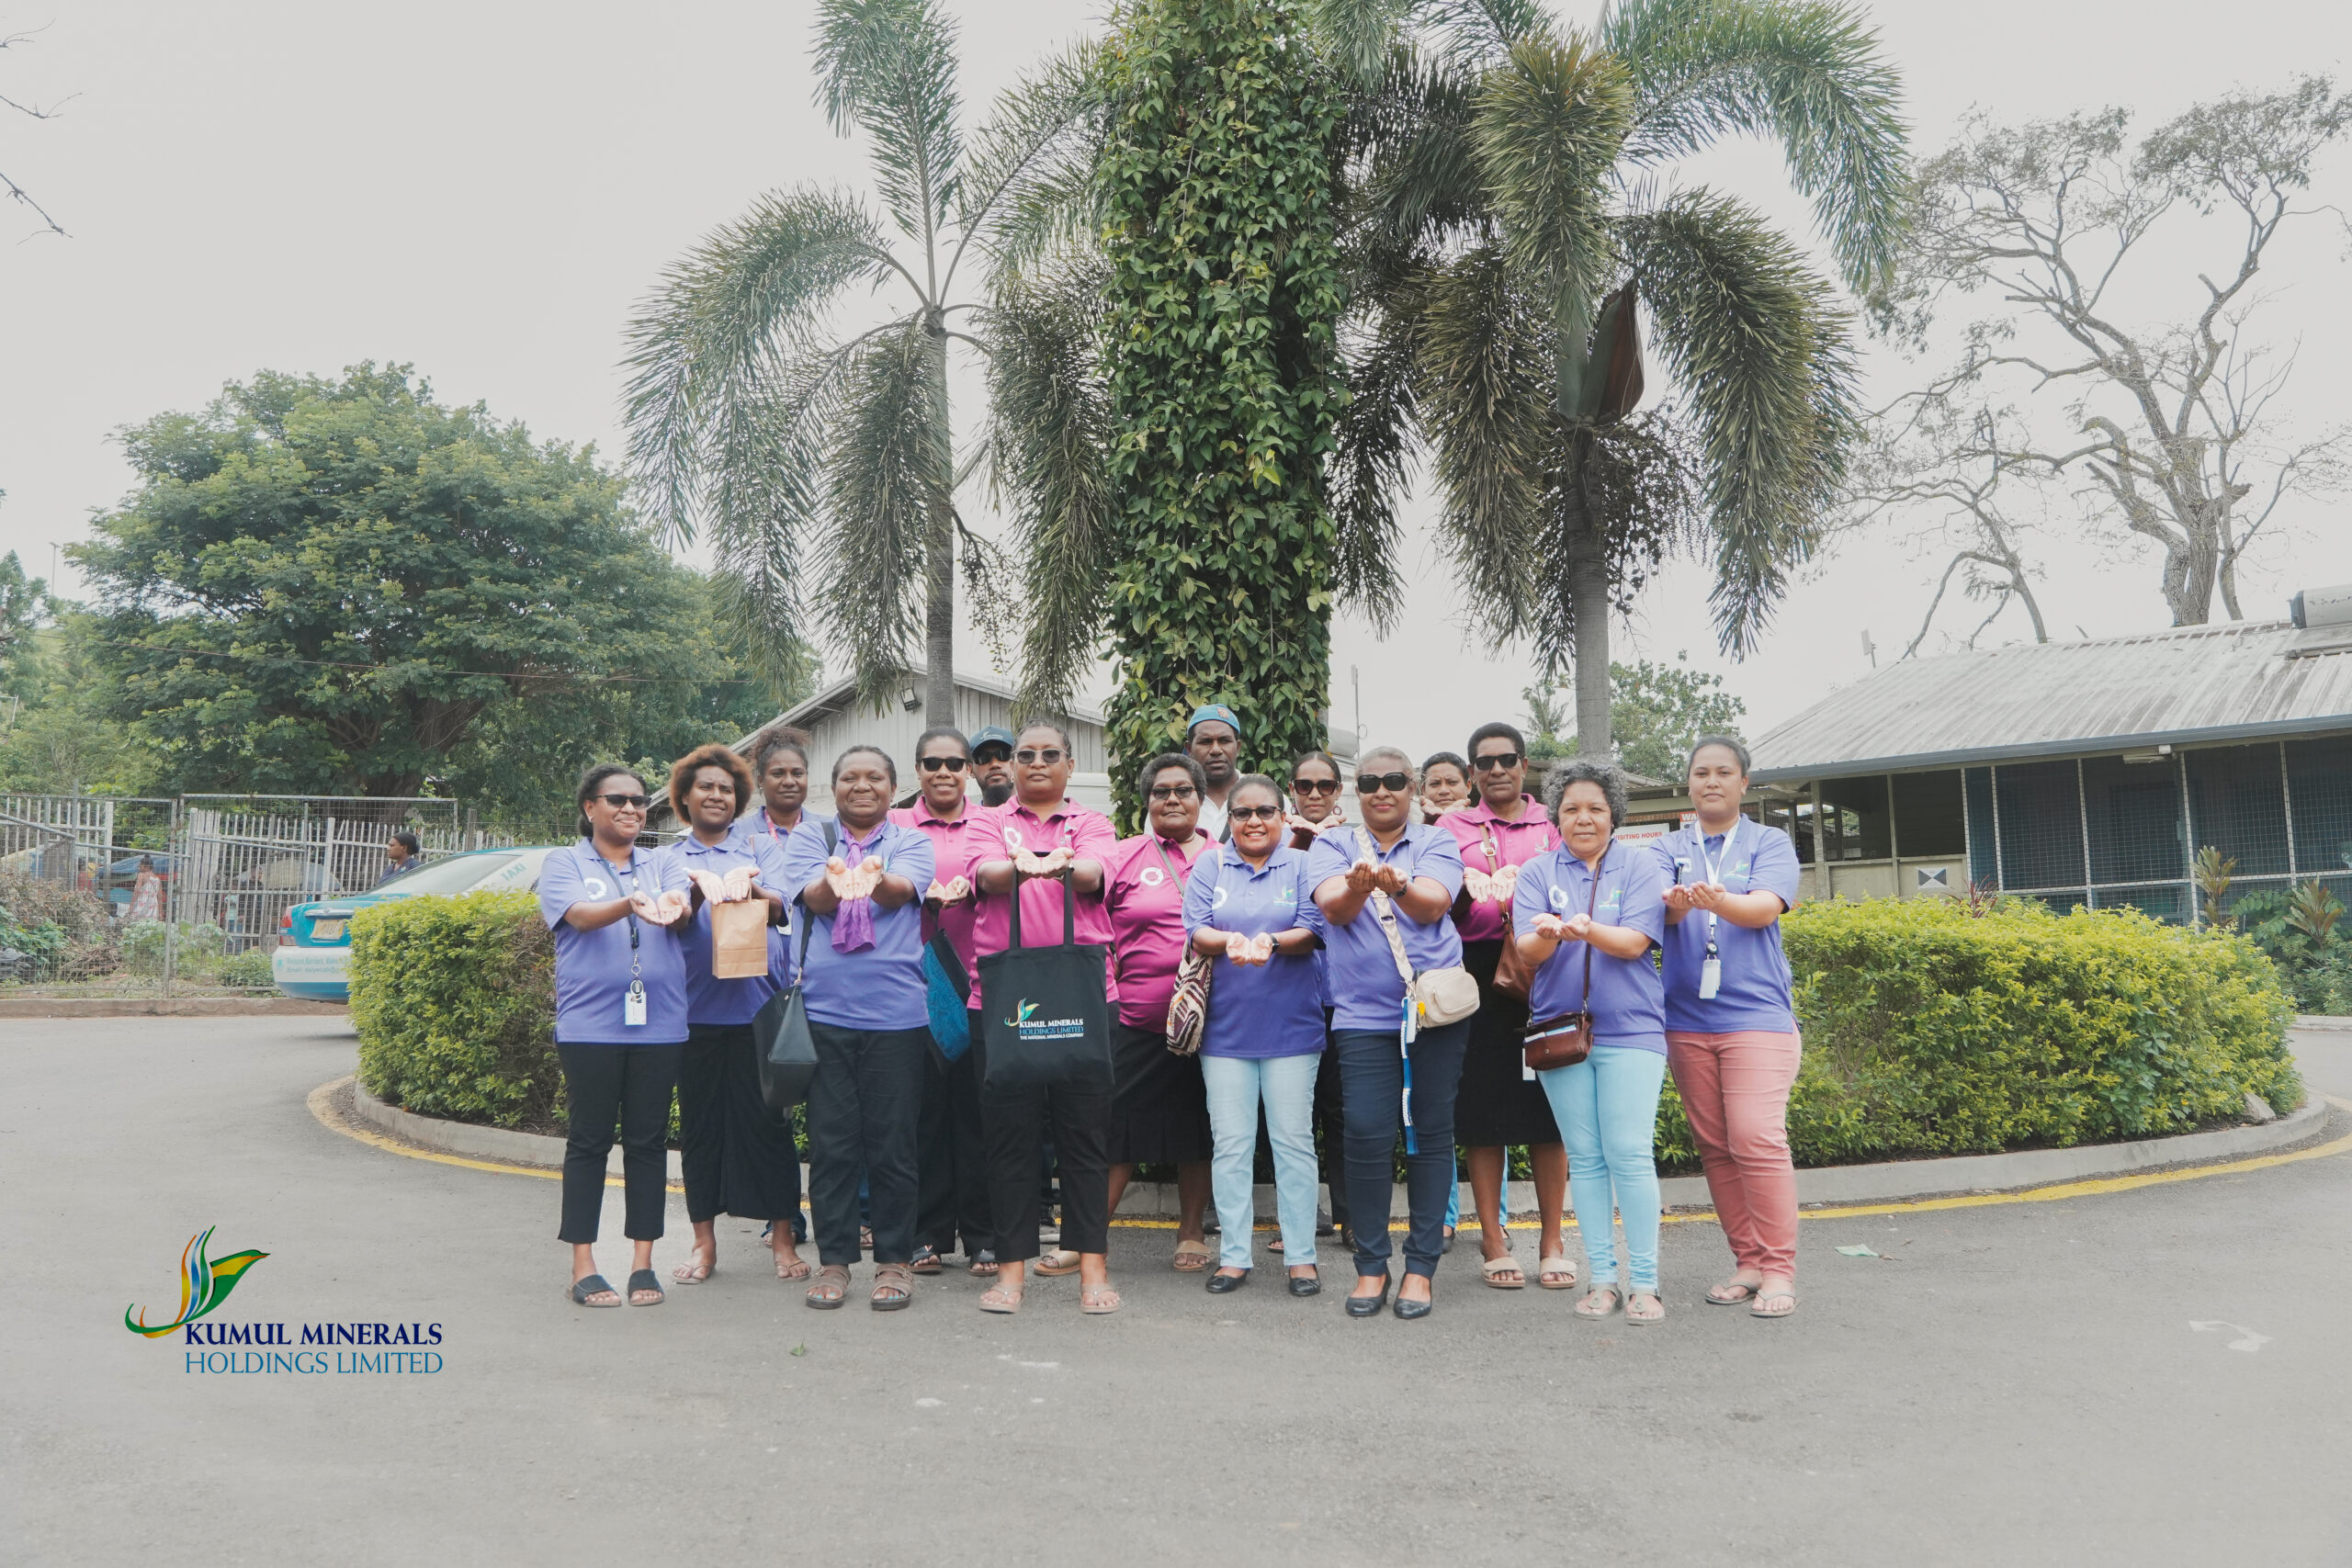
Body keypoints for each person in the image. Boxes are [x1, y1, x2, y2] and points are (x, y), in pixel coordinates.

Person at [1307, 748, 1468, 1320]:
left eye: (1394, 781)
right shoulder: (1331, 846)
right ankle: (1372, 1267)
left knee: (1429, 1134)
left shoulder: (1436, 842)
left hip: (1434, 1016)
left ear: (1413, 787)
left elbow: (1434, 905)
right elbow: (1333, 909)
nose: (1382, 790)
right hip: (1361, 1018)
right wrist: (1359, 886)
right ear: (1357, 789)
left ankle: (1421, 1268)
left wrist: (1396, 885)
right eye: (1370, 781)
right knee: (1367, 1136)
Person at [967, 722, 1121, 1314]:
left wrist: (1048, 862)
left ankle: (1093, 1274)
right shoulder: (989, 820)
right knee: (1010, 1143)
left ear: (1069, 761)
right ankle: (1011, 1276)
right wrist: (1031, 863)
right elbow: (986, 874)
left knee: (1085, 1140)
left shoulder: (1092, 823)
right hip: (1002, 1001)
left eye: (1048, 754)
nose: (1035, 763)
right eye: (1023, 755)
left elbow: (1094, 875)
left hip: (1084, 999)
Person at [1513, 758, 1674, 1325]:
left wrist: (1583, 927)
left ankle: (1646, 1284)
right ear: (1556, 814)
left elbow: (1633, 943)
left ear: (1615, 815)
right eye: (1572, 808)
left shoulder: (1640, 865)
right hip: (1560, 1030)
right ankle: (1603, 1279)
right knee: (1584, 1159)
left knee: (1628, 1152)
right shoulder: (1536, 872)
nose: (1584, 819)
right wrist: (1547, 934)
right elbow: (1525, 952)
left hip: (1632, 1028)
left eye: (1596, 809)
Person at [779, 746, 937, 1311]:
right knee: (832, 1146)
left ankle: (894, 1261)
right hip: (823, 1017)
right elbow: (815, 899)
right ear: (835, 787)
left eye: (875, 777)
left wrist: (870, 874)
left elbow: (900, 892)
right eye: (850, 777)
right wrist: (840, 876)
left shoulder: (912, 842)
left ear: (893, 790)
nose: (862, 785)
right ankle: (836, 1261)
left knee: (894, 1144)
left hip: (897, 1018)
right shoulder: (809, 840)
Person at [539, 764, 694, 1309]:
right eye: (618, 800)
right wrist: (629, 905)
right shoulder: (565, 863)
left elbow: (681, 908)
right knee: (589, 1141)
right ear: (590, 808)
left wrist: (674, 907)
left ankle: (642, 1263)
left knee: (649, 1144)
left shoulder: (664, 861)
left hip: (662, 1026)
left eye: (639, 801)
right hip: (589, 1028)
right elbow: (578, 917)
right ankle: (583, 1264)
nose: (631, 809)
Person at [1659, 736, 1804, 1320]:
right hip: (1685, 1018)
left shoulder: (1769, 841)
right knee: (1716, 1147)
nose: (1711, 782)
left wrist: (1712, 899)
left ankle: (1779, 1270)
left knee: (1756, 1138)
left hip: (1757, 1017)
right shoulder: (1667, 845)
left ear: (1744, 783)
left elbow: (1765, 907)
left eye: (1724, 773)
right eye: (1701, 773)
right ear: (1688, 784)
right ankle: (1747, 1261)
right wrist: (1674, 903)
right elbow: (1655, 912)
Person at [663, 743, 805, 1288]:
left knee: (770, 1129)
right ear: (684, 797)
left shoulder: (761, 847)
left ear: (739, 797)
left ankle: (784, 1239)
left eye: (725, 788)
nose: (716, 795)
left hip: (759, 1012)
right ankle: (704, 1244)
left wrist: (751, 883)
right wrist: (697, 893)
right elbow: (672, 920)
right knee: (700, 1133)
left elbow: (780, 906)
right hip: (692, 1016)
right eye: (705, 787)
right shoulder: (668, 858)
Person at [1443, 722, 1573, 1292]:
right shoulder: (1451, 826)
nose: (1496, 770)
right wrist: (1467, 886)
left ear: (1525, 765)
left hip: (1548, 969)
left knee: (1550, 1111)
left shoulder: (1554, 823)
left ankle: (1552, 1238)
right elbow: (1437, 899)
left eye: (1506, 759)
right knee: (1483, 1110)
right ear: (1472, 773)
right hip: (1478, 972)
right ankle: (1493, 1236)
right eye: (1484, 762)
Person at [1186, 773, 1325, 1296]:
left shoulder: (1304, 864)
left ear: (1283, 817)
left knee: (1293, 1142)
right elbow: (1195, 927)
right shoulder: (1210, 863)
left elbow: (1315, 927)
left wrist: (1270, 940)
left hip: (1292, 1026)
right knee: (1232, 1145)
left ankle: (1301, 1257)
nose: (1253, 822)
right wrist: (1228, 941)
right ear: (1230, 821)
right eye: (1242, 813)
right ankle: (1234, 1257)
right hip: (1224, 1028)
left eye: (1265, 811)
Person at [891, 726, 1000, 1276]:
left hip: (981, 989)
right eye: (932, 763)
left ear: (969, 771)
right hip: (914, 990)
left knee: (979, 1118)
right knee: (924, 1119)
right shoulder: (895, 824)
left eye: (955, 764)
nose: (944, 772)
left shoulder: (992, 823)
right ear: (917, 772)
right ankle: (927, 1234)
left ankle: (983, 1236)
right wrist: (919, 891)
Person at [1101, 753, 1216, 1271]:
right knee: (1117, 1128)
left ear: (1200, 798)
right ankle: (1085, 1235)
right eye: (1161, 791)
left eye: (1183, 790)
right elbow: (1092, 928)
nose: (1172, 799)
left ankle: (1191, 1231)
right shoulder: (1123, 855)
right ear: (1147, 803)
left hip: (1217, 1023)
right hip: (1138, 1019)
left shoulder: (1227, 854)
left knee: (1200, 1127)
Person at [1285, 750, 1351, 1250]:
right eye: (1304, 786)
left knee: (1342, 1109)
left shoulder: (1354, 839)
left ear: (1338, 791)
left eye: (1324, 786)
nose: (1314, 795)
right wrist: (1298, 840)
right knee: (1293, 1115)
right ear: (1291, 790)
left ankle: (1352, 1218)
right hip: (1288, 994)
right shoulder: (1274, 840)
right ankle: (1302, 1220)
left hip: (1345, 995)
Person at [1185, 704, 1243, 840]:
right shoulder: (1173, 802)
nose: (1216, 750)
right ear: (1189, 750)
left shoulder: (1265, 794)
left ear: (1238, 747)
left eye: (1224, 741)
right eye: (1205, 742)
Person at [970, 726, 1018, 809]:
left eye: (1003, 755)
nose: (994, 764)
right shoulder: (968, 822)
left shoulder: (1040, 818)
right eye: (984, 758)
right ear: (971, 770)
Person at [1419, 752, 1471, 823]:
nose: (1443, 791)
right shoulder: (1406, 830)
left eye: (1452, 782)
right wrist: (1429, 823)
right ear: (1424, 790)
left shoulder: (1487, 825)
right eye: (1435, 784)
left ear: (1468, 786)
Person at [128, 855, 164, 923]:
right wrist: (160, 913)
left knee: (136, 924)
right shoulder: (158, 879)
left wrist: (131, 907)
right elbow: (160, 897)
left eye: (140, 866)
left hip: (141, 904)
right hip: (153, 907)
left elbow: (137, 891)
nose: (139, 868)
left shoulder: (141, 875)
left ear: (147, 867)